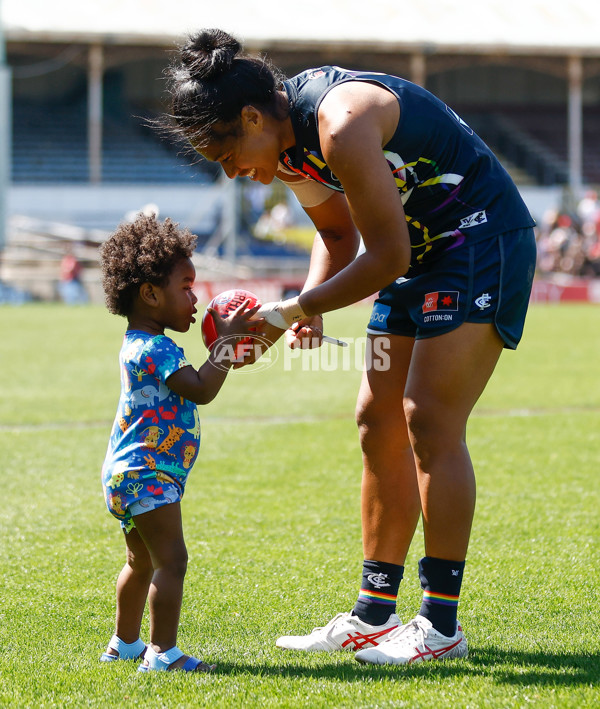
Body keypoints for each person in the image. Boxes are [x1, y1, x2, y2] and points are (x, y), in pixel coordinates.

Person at [163, 29, 537, 666]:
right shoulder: (286, 148)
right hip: (421, 258)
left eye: (225, 154)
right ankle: (372, 616)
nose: (232, 173)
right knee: (375, 419)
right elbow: (337, 232)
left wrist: (293, 310)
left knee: (428, 418)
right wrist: (307, 301)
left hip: (479, 243)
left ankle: (440, 625)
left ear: (253, 117)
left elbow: (385, 255)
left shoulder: (339, 123)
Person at [99, 213, 259, 672]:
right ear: (150, 293)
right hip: (149, 474)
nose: (195, 298)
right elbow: (202, 390)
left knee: (141, 561)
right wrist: (226, 345)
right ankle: (163, 653)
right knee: (173, 561)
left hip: (126, 473)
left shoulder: (137, 341)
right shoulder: (158, 348)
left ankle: (124, 644)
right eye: (186, 287)